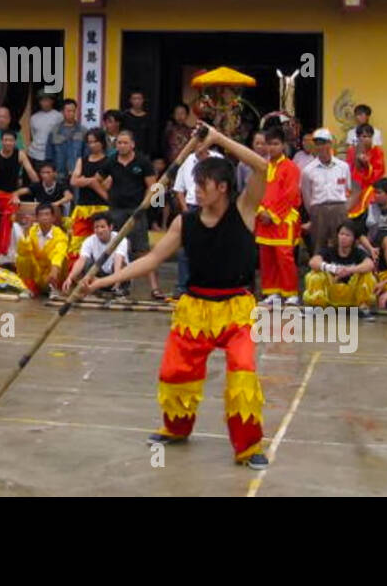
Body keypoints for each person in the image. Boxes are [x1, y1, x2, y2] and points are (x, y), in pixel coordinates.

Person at [80, 126, 269, 468]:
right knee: (175, 371)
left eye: (202, 184)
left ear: (222, 187)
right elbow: (151, 259)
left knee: (242, 371)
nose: (195, 189)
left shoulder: (244, 210)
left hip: (236, 308)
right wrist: (98, 283)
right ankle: (176, 428)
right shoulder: (186, 222)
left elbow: (262, 167)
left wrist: (217, 139)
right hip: (194, 306)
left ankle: (249, 446)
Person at [98, 131, 156, 293]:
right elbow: (96, 179)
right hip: (116, 210)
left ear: (132, 144)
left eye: (125, 143)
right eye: (119, 143)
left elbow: (154, 186)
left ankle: (155, 288)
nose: (122, 146)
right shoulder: (111, 161)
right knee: (117, 248)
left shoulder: (143, 161)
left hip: (136, 210)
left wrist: (144, 205)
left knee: (142, 249)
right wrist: (107, 195)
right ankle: (120, 285)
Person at [254, 125, 304, 306]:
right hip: (263, 218)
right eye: (269, 144)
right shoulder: (262, 167)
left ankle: (290, 293)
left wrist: (273, 214)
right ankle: (272, 292)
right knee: (266, 258)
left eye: (275, 144)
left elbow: (290, 195)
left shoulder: (291, 168)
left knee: (284, 258)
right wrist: (261, 212)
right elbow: (255, 190)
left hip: (283, 219)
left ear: (283, 145)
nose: (271, 148)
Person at [171, 141, 225, 297]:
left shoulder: (218, 159)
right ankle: (183, 286)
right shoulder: (186, 160)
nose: (199, 146)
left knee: (215, 247)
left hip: (214, 207)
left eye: (202, 142)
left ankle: (214, 284)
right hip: (192, 207)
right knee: (185, 250)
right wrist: (186, 211)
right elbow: (179, 189)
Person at [304, 221, 377, 317]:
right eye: (341, 234)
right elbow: (313, 262)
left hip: (351, 296)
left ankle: (363, 308)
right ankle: (317, 307)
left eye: (348, 235)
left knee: (368, 275)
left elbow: (370, 264)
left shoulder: (358, 253)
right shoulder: (329, 251)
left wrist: (350, 270)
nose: (343, 237)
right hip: (331, 293)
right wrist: (333, 269)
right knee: (314, 275)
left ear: (354, 239)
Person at [0, 130, 38, 260]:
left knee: (9, 219)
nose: (8, 143)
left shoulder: (20, 154)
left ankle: (5, 255)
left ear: (15, 142)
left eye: (11, 140)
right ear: (1, 141)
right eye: (5, 140)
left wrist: (18, 192)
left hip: (11, 196)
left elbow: (33, 177)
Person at [300, 128, 351, 253]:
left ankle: (340, 270)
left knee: (340, 244)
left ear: (330, 143)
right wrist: (313, 211)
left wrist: (344, 208)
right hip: (318, 209)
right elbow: (307, 195)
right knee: (318, 244)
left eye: (323, 142)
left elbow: (347, 189)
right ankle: (319, 271)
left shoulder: (343, 167)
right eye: (317, 143)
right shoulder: (308, 170)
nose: (320, 147)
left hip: (339, 208)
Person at [67, 128, 111, 265]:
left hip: (101, 205)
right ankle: (76, 274)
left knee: (101, 241)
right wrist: (92, 181)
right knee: (77, 240)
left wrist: (85, 180)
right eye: (89, 142)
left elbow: (107, 185)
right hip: (83, 207)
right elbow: (73, 181)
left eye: (95, 142)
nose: (92, 145)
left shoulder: (109, 161)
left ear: (102, 143)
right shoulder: (82, 160)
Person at [63, 210, 129, 300]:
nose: (99, 230)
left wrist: (116, 279)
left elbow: (119, 259)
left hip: (117, 276)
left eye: (102, 227)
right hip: (99, 277)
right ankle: (94, 289)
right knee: (85, 263)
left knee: (122, 265)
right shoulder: (89, 240)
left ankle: (119, 290)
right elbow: (81, 260)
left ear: (110, 227)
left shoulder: (121, 239)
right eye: (96, 227)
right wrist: (70, 277)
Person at [14, 201, 69, 296]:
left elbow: (59, 253)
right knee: (22, 258)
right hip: (37, 274)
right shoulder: (32, 230)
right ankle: (30, 288)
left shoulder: (60, 235)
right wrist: (26, 231)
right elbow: (23, 251)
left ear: (53, 218)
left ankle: (54, 289)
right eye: (41, 215)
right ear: (36, 218)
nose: (44, 217)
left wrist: (54, 269)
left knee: (63, 259)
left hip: (53, 273)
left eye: (47, 214)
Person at [345, 124, 385, 224]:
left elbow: (379, 171)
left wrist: (367, 165)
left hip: (369, 185)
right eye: (363, 136)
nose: (366, 139)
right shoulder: (351, 151)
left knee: (370, 197)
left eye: (369, 136)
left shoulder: (377, 151)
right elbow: (348, 169)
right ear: (358, 137)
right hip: (353, 186)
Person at [47, 98, 85, 183]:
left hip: (76, 175)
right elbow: (49, 154)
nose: (71, 114)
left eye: (73, 111)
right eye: (68, 111)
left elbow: (86, 155)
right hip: (58, 174)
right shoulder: (54, 131)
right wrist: (52, 172)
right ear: (62, 112)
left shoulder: (83, 131)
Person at [26, 93, 64, 175]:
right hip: (34, 153)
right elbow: (34, 135)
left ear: (52, 101)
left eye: (47, 100)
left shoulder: (58, 116)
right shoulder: (34, 117)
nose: (45, 103)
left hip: (50, 154)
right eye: (42, 100)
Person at [120, 89, 158, 157]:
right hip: (127, 151)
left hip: (143, 153)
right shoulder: (124, 116)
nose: (137, 101)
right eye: (134, 99)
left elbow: (151, 137)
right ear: (130, 100)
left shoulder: (148, 117)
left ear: (143, 100)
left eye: (139, 99)